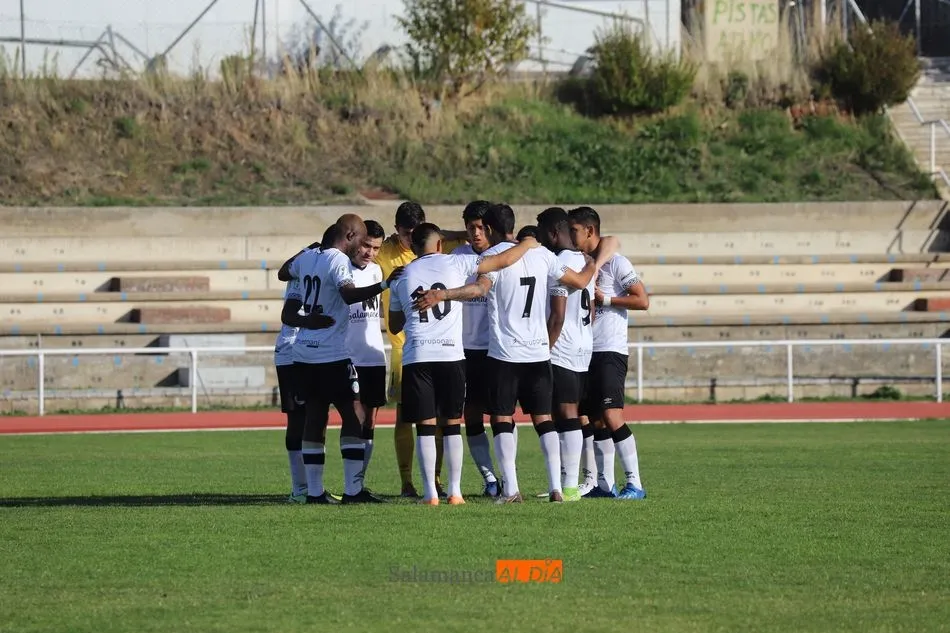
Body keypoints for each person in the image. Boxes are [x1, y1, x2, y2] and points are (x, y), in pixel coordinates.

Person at [414, 204, 619, 504]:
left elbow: (478, 290)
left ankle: (510, 489)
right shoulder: (543, 255)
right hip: (538, 353)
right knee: (544, 419)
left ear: (490, 229)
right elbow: (579, 281)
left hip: (505, 354)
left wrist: (442, 294)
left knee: (501, 418)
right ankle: (556, 488)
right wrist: (593, 263)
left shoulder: (493, 260)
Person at [391, 222, 543, 505]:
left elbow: (394, 324)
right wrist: (526, 243)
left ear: (413, 247)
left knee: (425, 426)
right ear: (439, 245)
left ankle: (430, 494)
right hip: (451, 355)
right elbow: (502, 260)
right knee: (452, 424)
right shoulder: (456, 262)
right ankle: (455, 492)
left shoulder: (403, 275)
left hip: (418, 355)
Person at [282, 214, 402, 504]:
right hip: (332, 353)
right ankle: (353, 490)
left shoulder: (307, 257)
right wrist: (384, 285)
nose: (361, 247)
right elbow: (348, 295)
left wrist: (308, 320)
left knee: (315, 417)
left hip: (304, 353)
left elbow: (284, 273)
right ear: (349, 236)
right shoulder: (337, 260)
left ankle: (314, 493)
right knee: (353, 416)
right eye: (360, 240)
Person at [377, 202, 466, 498]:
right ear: (396, 230)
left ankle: (436, 480)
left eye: (416, 232)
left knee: (441, 419)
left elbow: (467, 235)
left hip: (434, 347)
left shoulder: (438, 249)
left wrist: (440, 232)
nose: (411, 238)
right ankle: (407, 481)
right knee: (407, 416)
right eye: (406, 233)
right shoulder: (386, 252)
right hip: (404, 347)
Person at [568, 206, 650, 500]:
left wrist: (608, 300)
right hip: (586, 350)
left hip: (609, 350)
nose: (571, 236)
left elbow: (642, 300)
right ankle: (604, 484)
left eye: (574, 230)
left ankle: (635, 483)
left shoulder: (616, 263)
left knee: (612, 415)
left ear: (589, 230)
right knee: (595, 419)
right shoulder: (581, 263)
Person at [536, 207, 595, 503]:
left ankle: (569, 486)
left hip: (562, 349)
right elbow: (591, 309)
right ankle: (564, 483)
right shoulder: (584, 261)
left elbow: (557, 316)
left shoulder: (560, 263)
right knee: (568, 413)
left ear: (553, 233)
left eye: (542, 233)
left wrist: (544, 350)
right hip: (583, 346)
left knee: (566, 412)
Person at [450, 200, 502, 497]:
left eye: (481, 227)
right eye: (471, 227)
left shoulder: (505, 256)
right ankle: (490, 478)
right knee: (471, 414)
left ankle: (509, 477)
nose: (476, 233)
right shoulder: (457, 256)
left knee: (501, 415)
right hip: (464, 349)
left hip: (498, 348)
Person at [345, 220, 388, 487]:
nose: (370, 252)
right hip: (349, 356)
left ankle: (359, 482)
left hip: (374, 355)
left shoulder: (377, 271)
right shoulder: (342, 268)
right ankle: (352, 483)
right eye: (366, 246)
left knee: (370, 421)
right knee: (355, 418)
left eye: (376, 248)